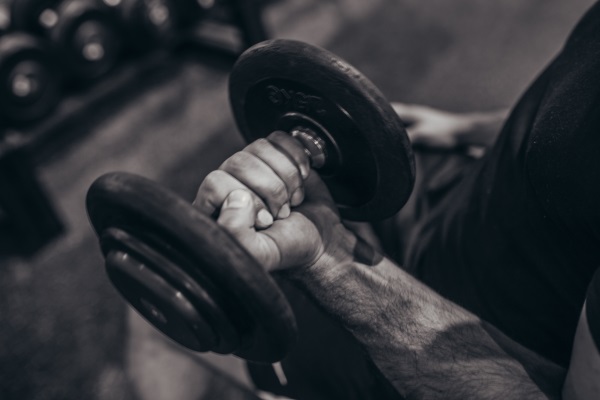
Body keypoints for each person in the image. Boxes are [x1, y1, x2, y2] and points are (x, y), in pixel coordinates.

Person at [128, 1, 600, 399]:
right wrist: (462, 128)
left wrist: (328, 255)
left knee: (173, 296)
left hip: (454, 343)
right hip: (463, 203)